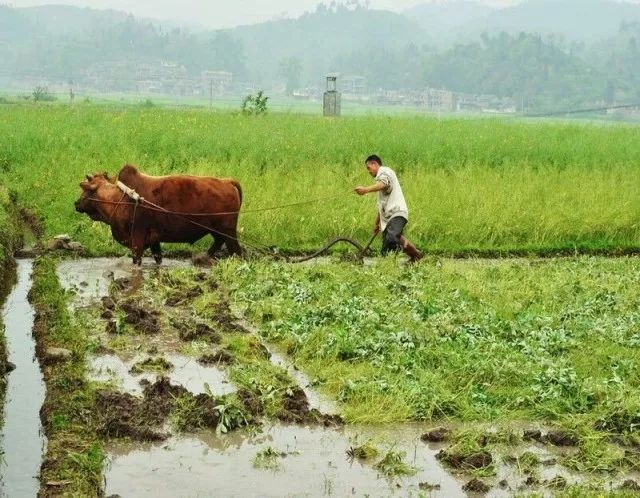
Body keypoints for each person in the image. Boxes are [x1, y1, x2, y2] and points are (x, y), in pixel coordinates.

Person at [354, 154, 423, 262]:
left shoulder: (385, 171)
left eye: (369, 168)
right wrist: (377, 224)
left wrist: (365, 190)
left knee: (390, 240)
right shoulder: (379, 182)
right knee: (396, 239)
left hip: (397, 212)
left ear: (375, 164)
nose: (368, 171)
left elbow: (384, 184)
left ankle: (390, 263)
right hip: (388, 218)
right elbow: (381, 206)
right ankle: (416, 255)